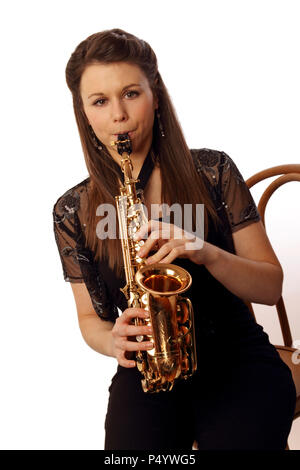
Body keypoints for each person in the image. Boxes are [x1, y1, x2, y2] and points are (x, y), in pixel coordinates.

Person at [53, 28, 296, 450]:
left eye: (131, 93)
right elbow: (90, 320)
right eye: (99, 101)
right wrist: (112, 341)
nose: (118, 115)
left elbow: (270, 285)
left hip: (237, 362)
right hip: (151, 371)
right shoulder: (73, 210)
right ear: (84, 113)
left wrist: (208, 253)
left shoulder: (213, 172)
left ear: (156, 94)